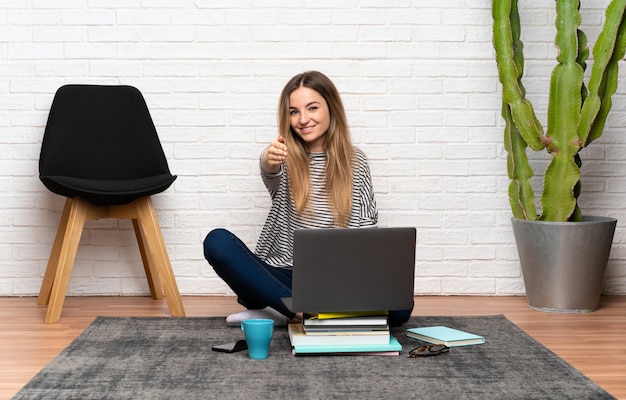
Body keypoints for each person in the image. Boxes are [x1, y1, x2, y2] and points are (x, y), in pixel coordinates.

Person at [203, 71, 413, 327]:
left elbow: (367, 234)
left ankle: (283, 312)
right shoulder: (282, 157)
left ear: (330, 108)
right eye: (294, 112)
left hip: (337, 280)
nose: (303, 119)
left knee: (402, 307)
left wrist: (366, 281)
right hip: (280, 277)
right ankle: (307, 312)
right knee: (218, 242)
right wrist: (269, 159)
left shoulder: (356, 161)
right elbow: (270, 167)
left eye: (312, 108)